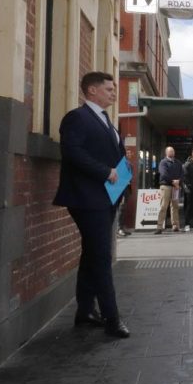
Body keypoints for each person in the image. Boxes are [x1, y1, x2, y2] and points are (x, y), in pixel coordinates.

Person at [53, 71, 129, 338]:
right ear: (92, 91)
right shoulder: (77, 117)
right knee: (101, 257)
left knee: (92, 253)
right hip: (86, 197)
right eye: (109, 89)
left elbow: (116, 155)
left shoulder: (106, 120)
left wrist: (122, 180)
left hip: (107, 197)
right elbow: (72, 152)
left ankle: (85, 311)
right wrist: (105, 172)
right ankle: (112, 318)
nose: (113, 93)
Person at [155, 146, 184, 233]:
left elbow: (182, 173)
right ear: (166, 153)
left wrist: (179, 181)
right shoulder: (163, 162)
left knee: (175, 207)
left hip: (175, 187)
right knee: (163, 206)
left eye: (173, 151)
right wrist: (173, 182)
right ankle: (159, 227)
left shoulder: (178, 162)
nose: (172, 153)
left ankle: (175, 226)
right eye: (170, 151)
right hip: (166, 186)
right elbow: (164, 174)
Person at [116, 148, 134, 237]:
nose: (129, 154)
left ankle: (122, 227)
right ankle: (119, 228)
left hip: (127, 188)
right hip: (121, 188)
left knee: (123, 208)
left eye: (130, 152)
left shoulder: (129, 164)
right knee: (121, 208)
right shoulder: (120, 163)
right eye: (128, 153)